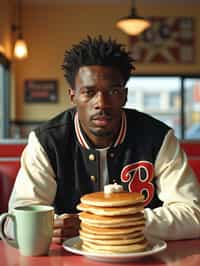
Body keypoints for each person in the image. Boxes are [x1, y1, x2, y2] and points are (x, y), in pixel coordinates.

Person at [9, 36, 200, 244]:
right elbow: (14, 222)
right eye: (88, 92)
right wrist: (48, 228)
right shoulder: (46, 142)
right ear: (73, 96)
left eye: (113, 91)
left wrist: (103, 224)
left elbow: (193, 214)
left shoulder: (158, 137)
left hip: (142, 255)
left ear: (125, 96)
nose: (101, 103)